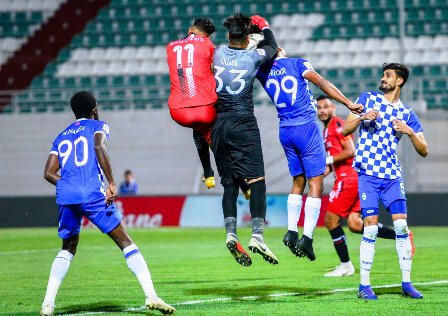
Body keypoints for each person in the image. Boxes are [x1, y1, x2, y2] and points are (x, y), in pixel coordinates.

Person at [40, 91, 175, 315]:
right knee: (126, 242)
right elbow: (99, 146)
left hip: (66, 195)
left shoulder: (61, 135)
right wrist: (111, 182)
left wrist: (70, 185)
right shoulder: (99, 126)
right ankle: (151, 295)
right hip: (93, 194)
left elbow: (48, 172)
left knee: (68, 247)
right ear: (94, 109)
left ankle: (47, 304)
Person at [256, 48, 363, 261]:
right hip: (305, 126)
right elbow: (322, 83)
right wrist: (348, 103)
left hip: (285, 129)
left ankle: (291, 230)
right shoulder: (297, 64)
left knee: (298, 180)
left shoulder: (262, 70)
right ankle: (307, 237)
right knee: (316, 183)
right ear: (278, 49)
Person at [342, 63, 428, 300]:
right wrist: (361, 118)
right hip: (368, 174)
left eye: (388, 75)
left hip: (392, 176)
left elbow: (424, 150)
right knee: (369, 227)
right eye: (383, 74)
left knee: (401, 226)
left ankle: (407, 283)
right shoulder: (367, 99)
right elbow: (345, 130)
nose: (383, 78)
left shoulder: (408, 114)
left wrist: (409, 132)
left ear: (399, 81)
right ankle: (364, 285)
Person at [211, 13, 279, 266]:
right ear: (248, 37)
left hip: (219, 124)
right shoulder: (252, 56)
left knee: (229, 184)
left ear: (229, 35)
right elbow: (271, 47)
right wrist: (265, 26)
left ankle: (230, 234)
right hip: (243, 123)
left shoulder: (216, 53)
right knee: (257, 181)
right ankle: (258, 236)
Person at [316, 95, 398, 277]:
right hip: (354, 178)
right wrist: (317, 176)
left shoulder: (337, 125)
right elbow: (333, 163)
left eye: (325, 107)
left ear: (333, 109)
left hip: (348, 179)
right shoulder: (326, 130)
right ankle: (401, 236)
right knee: (354, 224)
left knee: (330, 220)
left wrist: (327, 159)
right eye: (319, 108)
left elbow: (350, 151)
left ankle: (345, 265)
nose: (322, 111)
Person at [166, 18, 218, 190]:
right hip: (205, 109)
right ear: (207, 35)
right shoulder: (209, 45)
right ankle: (237, 177)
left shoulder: (171, 46)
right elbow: (214, 71)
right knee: (212, 128)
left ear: (190, 29)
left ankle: (208, 173)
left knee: (198, 127)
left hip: (178, 112)